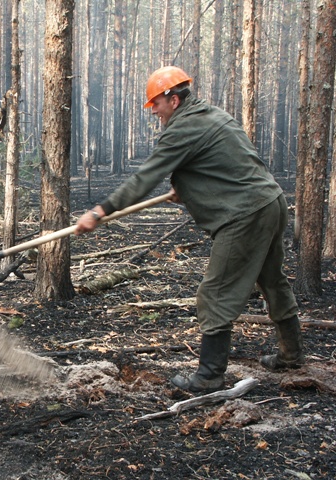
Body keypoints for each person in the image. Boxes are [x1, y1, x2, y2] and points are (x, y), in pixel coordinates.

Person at [75, 66, 304, 394]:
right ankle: (292, 354)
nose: (153, 110)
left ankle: (210, 375)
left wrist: (100, 210)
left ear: (174, 99)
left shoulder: (182, 127)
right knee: (272, 281)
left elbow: (146, 177)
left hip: (245, 215)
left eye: (156, 103)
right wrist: (190, 185)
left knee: (215, 293)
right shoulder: (212, 116)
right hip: (270, 202)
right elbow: (229, 164)